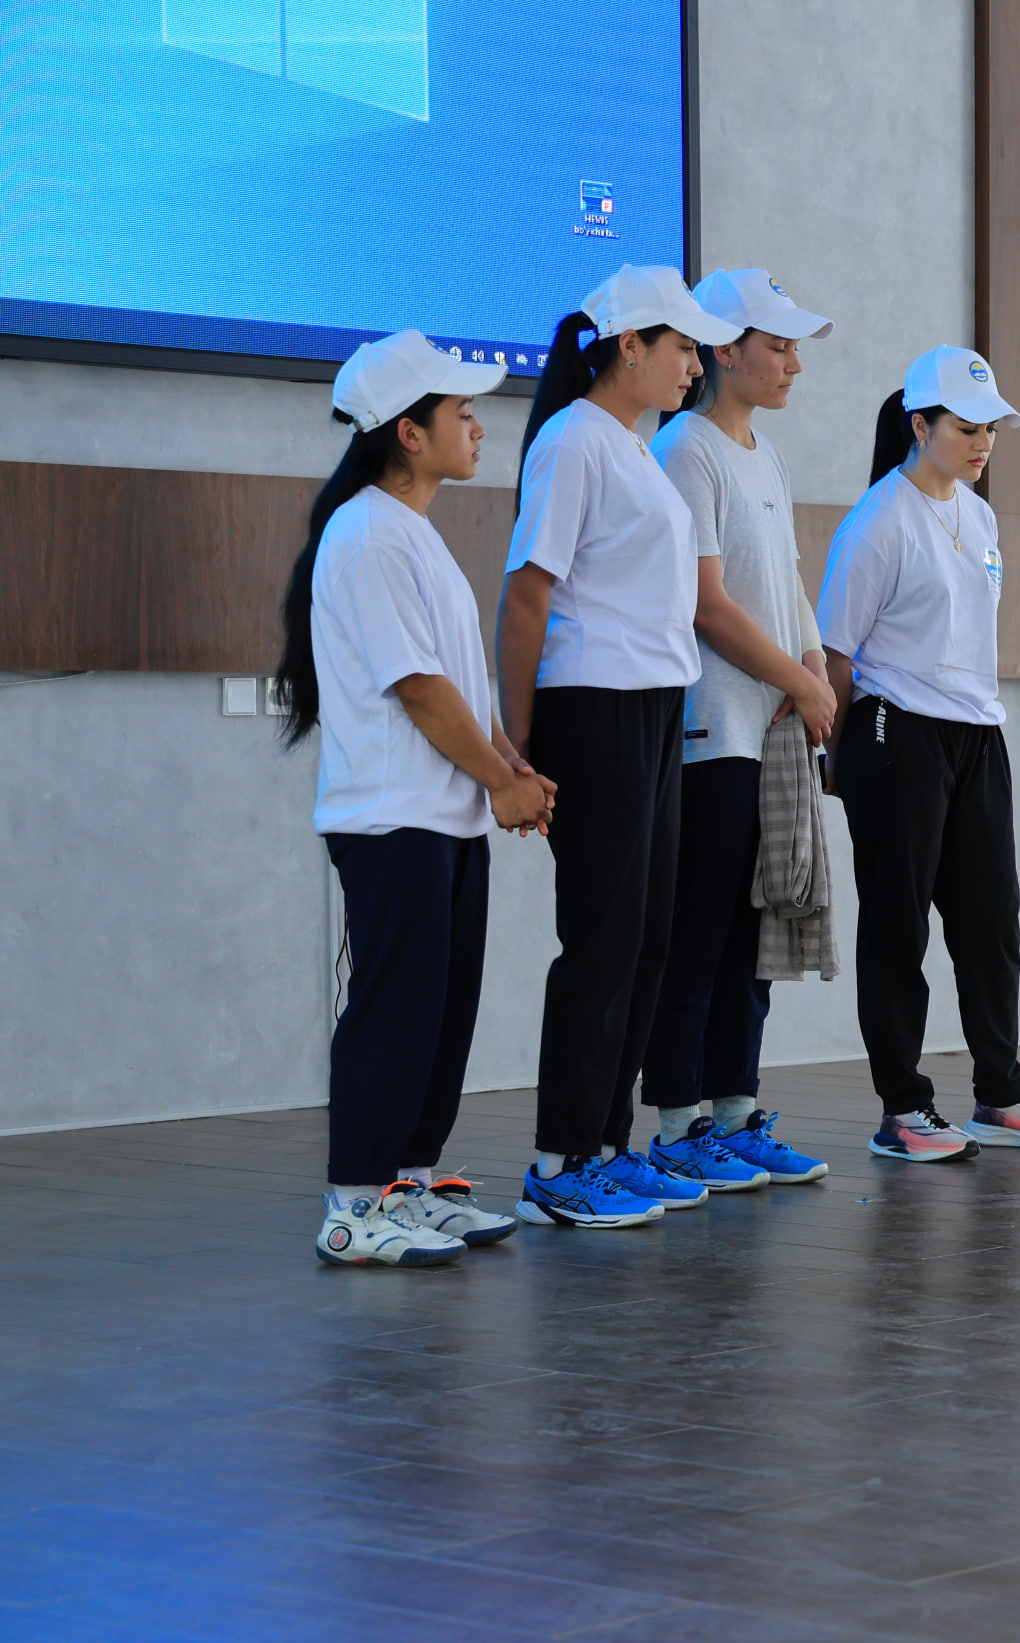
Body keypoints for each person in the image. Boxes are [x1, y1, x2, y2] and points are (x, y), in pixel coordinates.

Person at [276, 330, 553, 1266]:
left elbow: (454, 688)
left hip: (445, 818)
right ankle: (353, 1205)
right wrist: (502, 781)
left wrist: (508, 769)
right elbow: (417, 690)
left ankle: (412, 1184)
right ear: (406, 432)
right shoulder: (365, 533)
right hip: (392, 819)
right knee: (393, 1011)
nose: (478, 427)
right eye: (461, 413)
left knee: (441, 1012)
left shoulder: (413, 533)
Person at [498, 264, 745, 1227]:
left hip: (650, 705)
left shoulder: (635, 451)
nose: (695, 363)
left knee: (646, 936)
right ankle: (559, 1163)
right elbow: (529, 590)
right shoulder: (573, 442)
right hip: (589, 707)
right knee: (601, 938)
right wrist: (516, 735)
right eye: (681, 345)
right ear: (627, 347)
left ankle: (606, 1142)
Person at [817, 347, 1020, 1160]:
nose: (982, 443)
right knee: (898, 926)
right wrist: (842, 760)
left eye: (991, 429)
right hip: (897, 731)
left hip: (977, 735)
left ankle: (1000, 1096)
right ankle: (903, 1108)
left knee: (988, 922)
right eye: (966, 429)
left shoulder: (980, 514)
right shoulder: (877, 521)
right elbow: (834, 655)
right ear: (920, 425)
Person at [636, 269, 839, 1192]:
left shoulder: (764, 453)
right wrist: (796, 675)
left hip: (774, 730)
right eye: (777, 345)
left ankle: (733, 1111)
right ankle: (677, 1126)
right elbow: (706, 606)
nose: (793, 362)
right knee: (702, 931)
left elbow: (784, 585)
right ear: (725, 350)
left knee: (752, 935)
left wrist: (813, 675)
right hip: (714, 729)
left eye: (796, 347)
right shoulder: (687, 448)